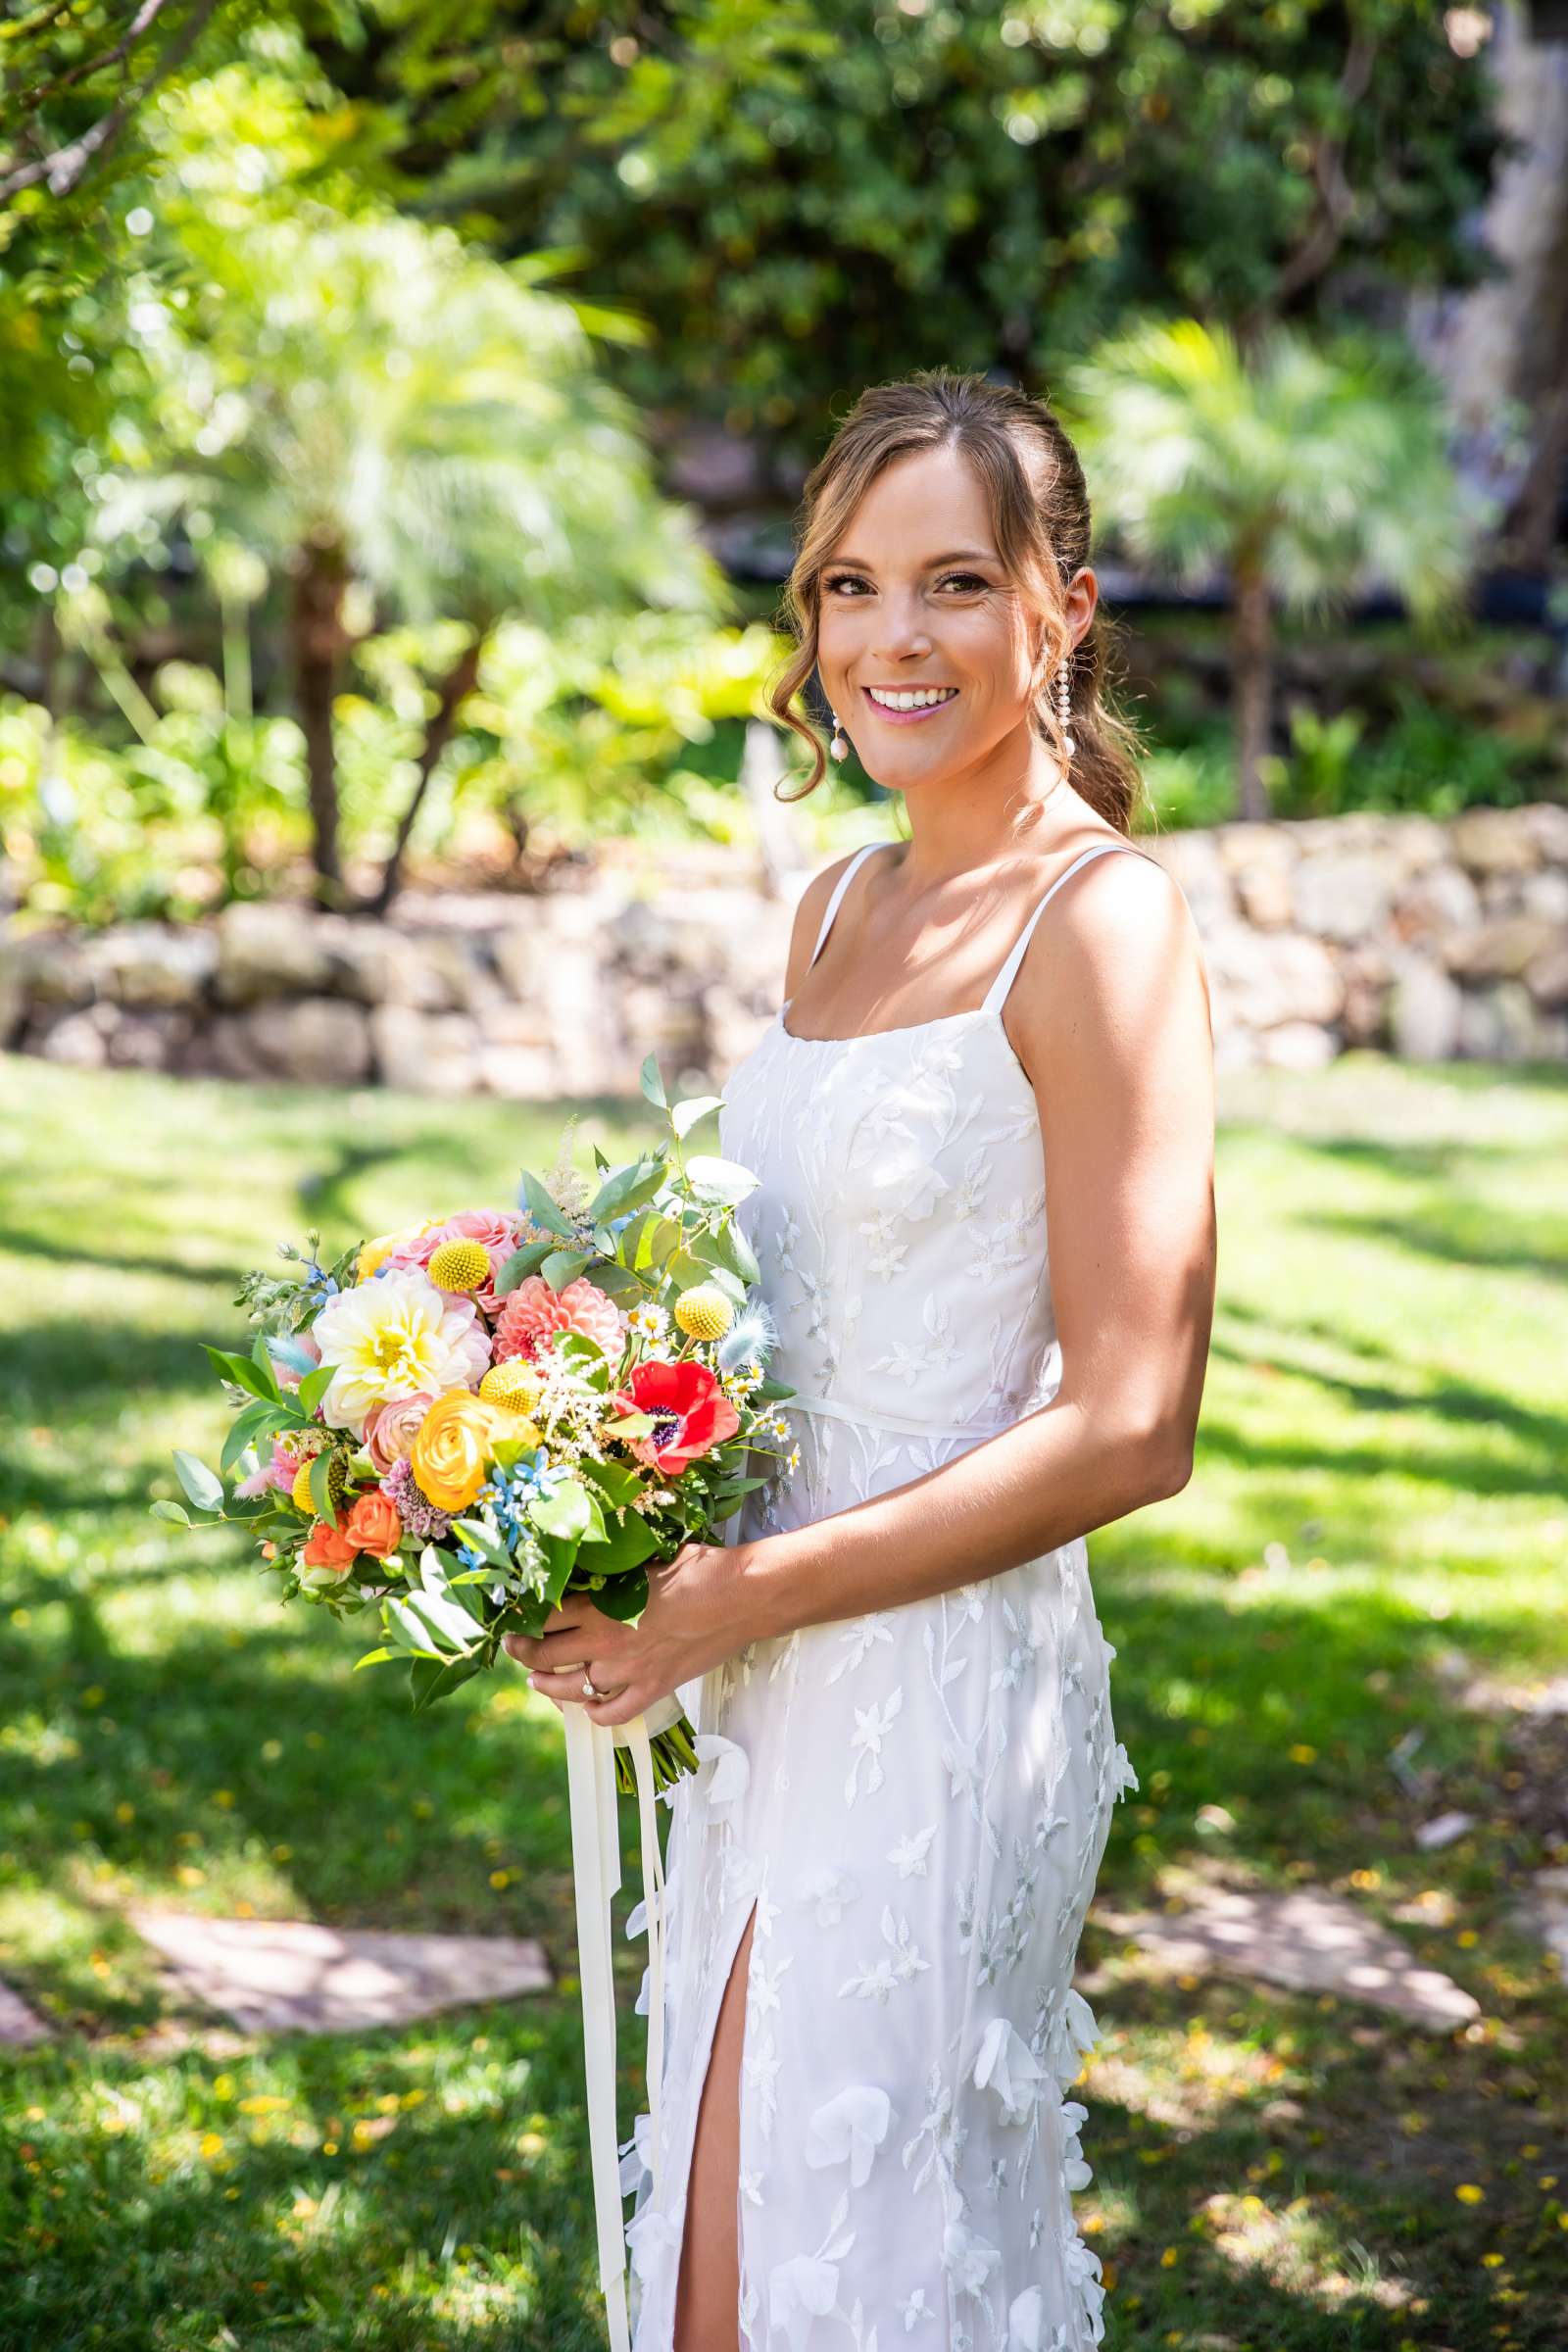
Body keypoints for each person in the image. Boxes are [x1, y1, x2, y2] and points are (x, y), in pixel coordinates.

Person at [504, 368, 1216, 2352]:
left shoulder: (1102, 924)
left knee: (833, 2262)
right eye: (846, 588)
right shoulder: (836, 903)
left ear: (1061, 609)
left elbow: (1133, 1420)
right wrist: (586, 1528)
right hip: (751, 1665)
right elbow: (784, 1314)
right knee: (724, 2257)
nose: (889, 641)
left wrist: (749, 1592)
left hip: (931, 1675)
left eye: (955, 583)